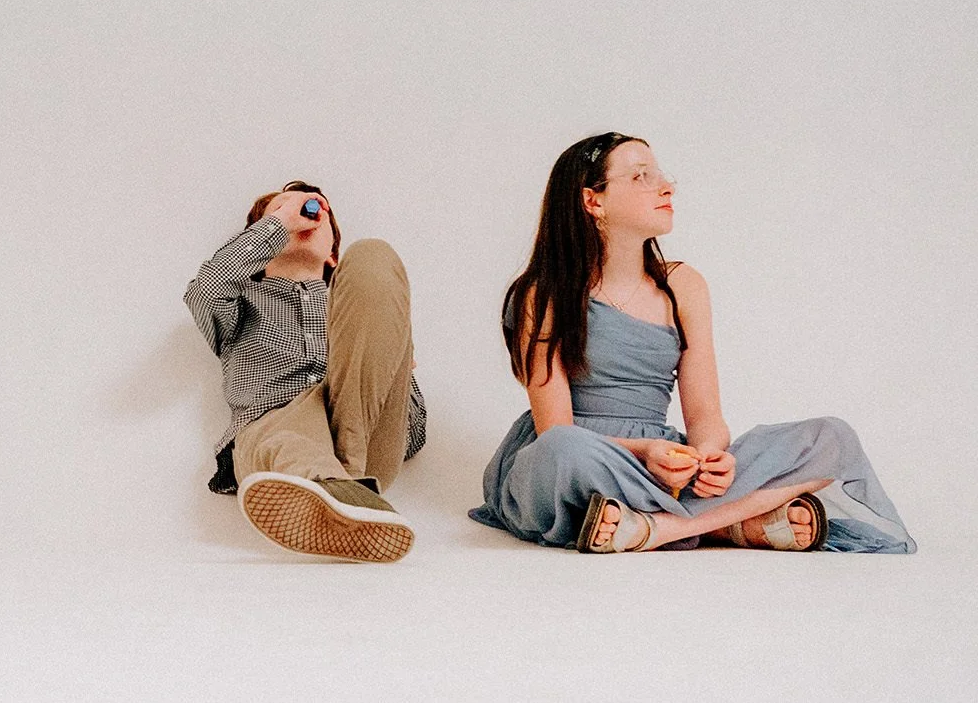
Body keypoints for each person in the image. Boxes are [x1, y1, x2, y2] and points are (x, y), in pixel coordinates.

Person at [470, 132, 915, 553]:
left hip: (665, 461)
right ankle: (730, 524)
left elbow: (705, 416)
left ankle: (655, 528)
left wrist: (708, 456)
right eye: (641, 176)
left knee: (830, 437)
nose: (665, 186)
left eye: (661, 174)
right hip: (584, 457)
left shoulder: (683, 286)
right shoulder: (542, 294)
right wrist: (645, 452)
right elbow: (556, 429)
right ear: (593, 200)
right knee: (562, 451)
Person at [185, 180, 426, 562]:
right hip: (275, 426)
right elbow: (207, 288)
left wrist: (393, 358)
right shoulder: (241, 304)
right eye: (283, 208)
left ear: (332, 255)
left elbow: (413, 434)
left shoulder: (354, 312)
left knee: (374, 254)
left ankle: (339, 490)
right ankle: (339, 492)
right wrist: (279, 225)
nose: (306, 212)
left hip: (363, 438)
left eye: (316, 210)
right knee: (287, 436)